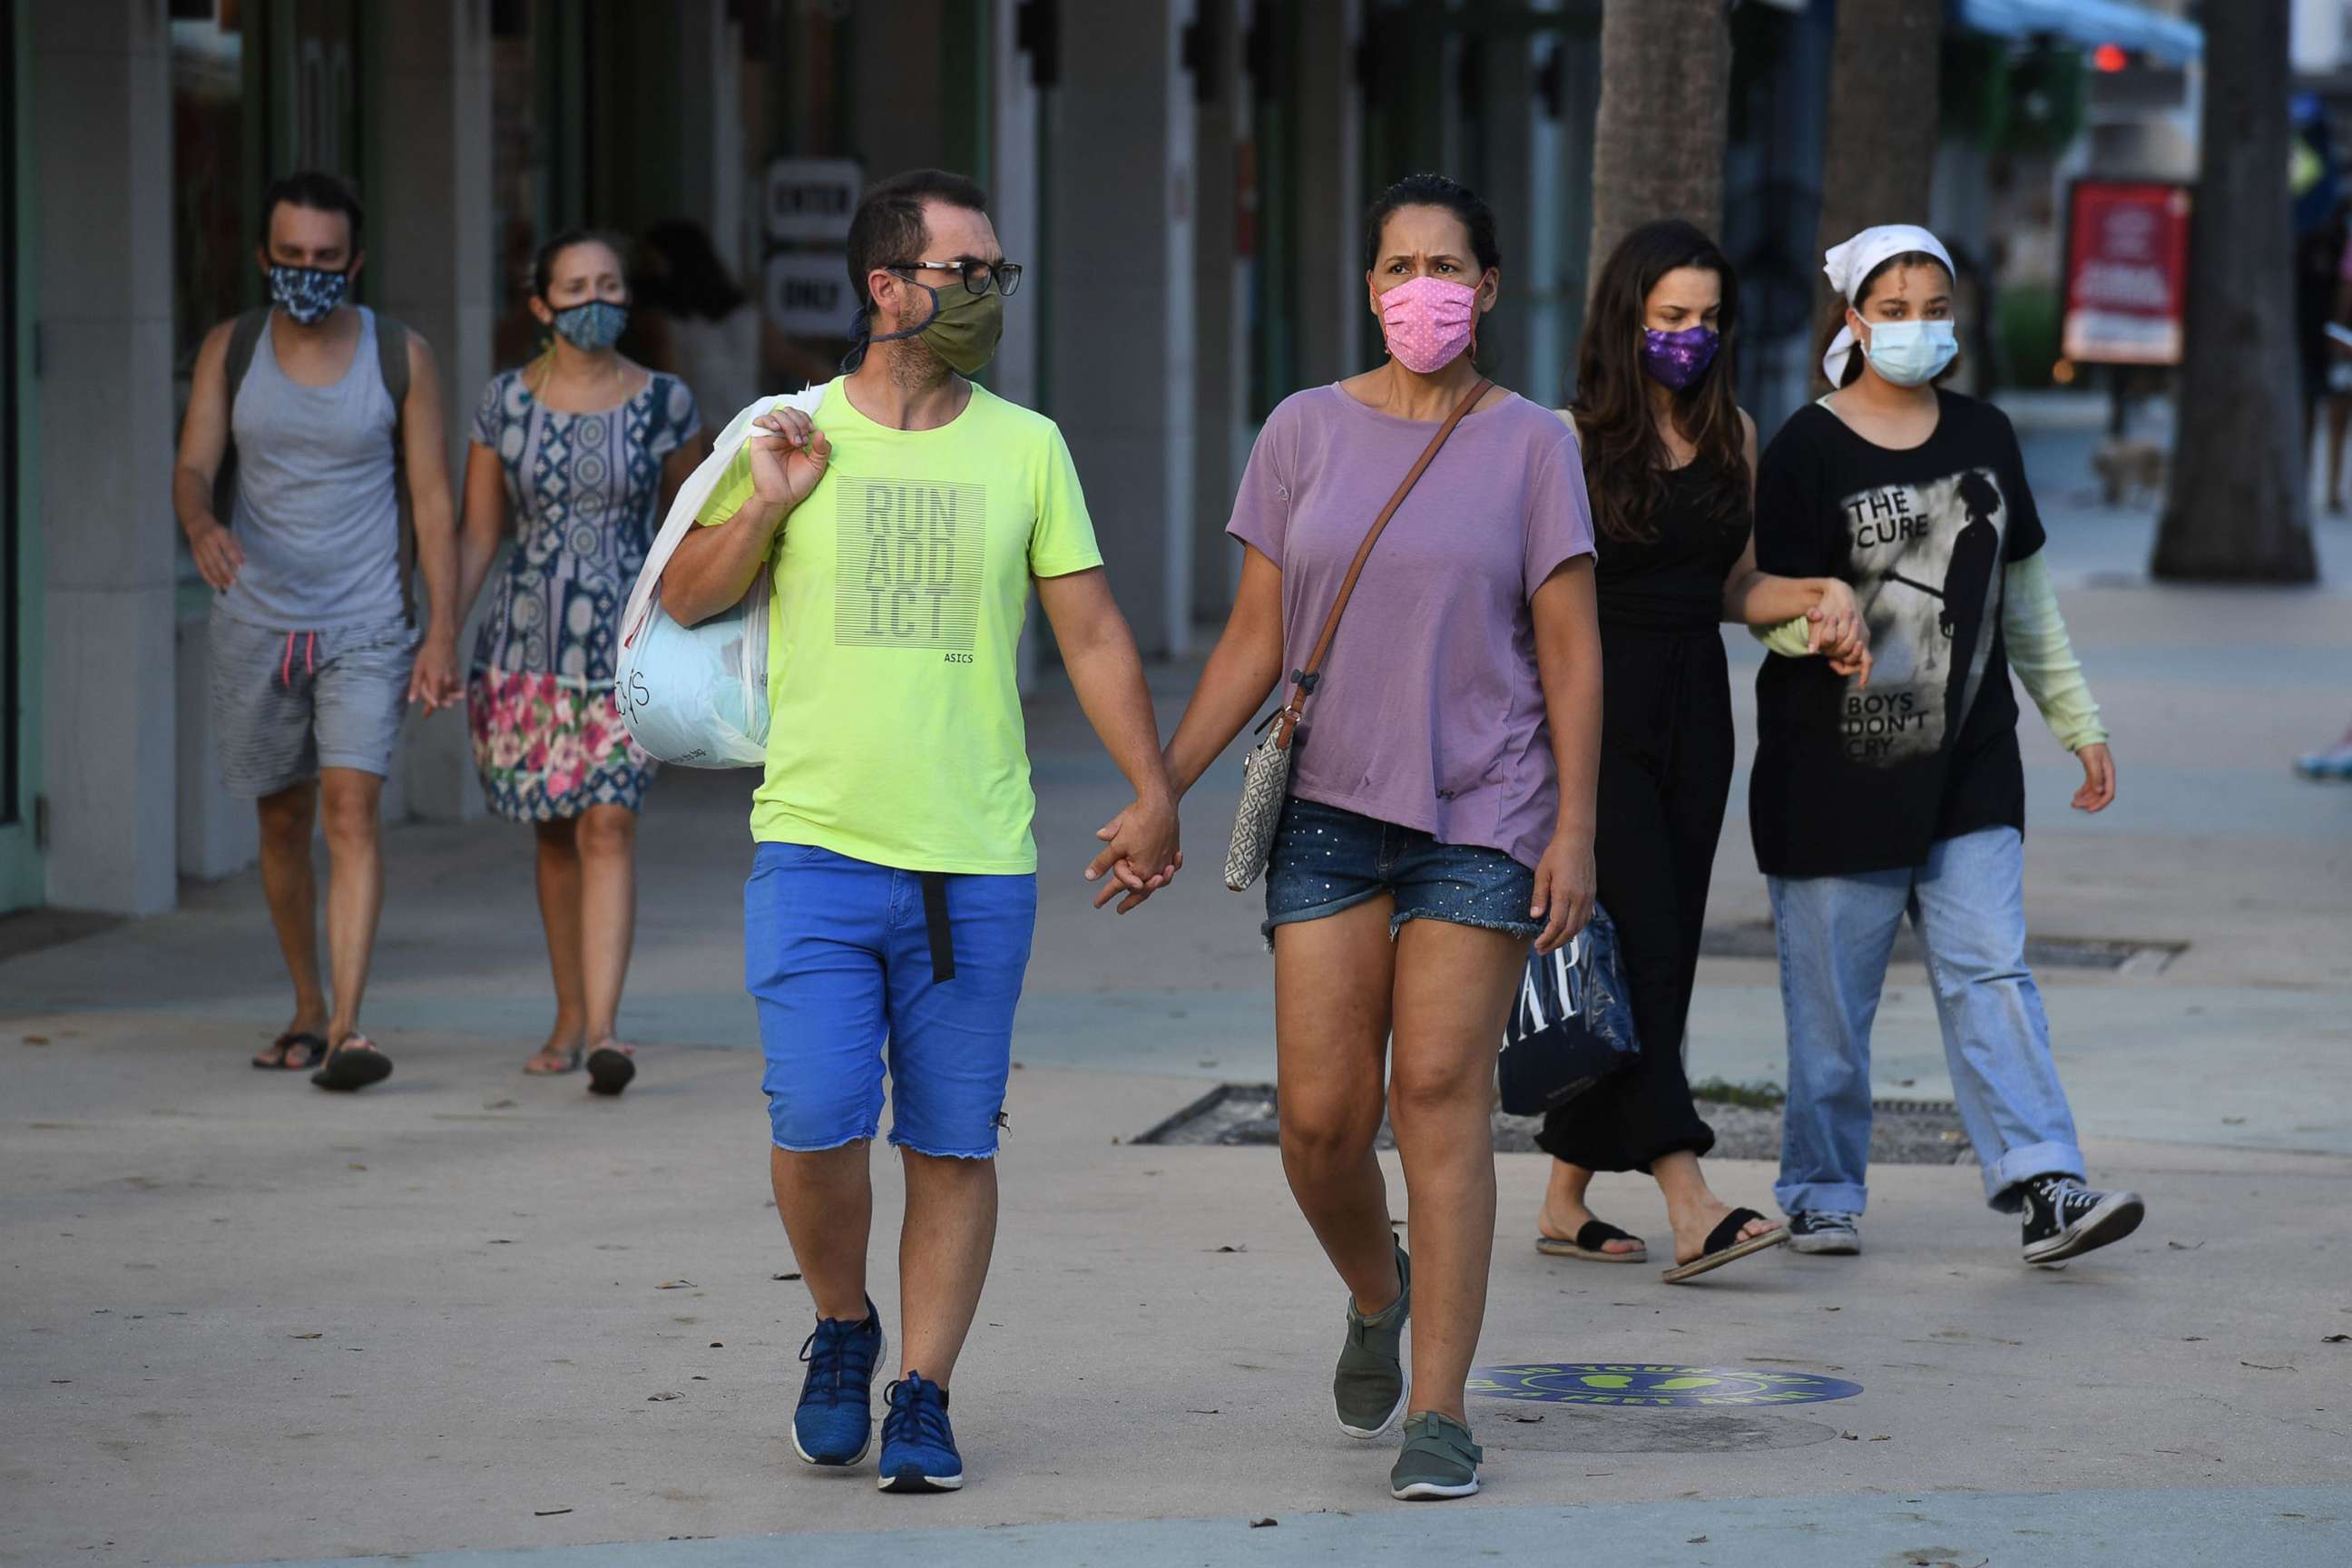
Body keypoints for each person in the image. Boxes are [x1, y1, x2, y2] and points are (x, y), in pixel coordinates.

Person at [656, 169, 1178, 1494]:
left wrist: (1155, 785)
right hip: (818, 843)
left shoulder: (1028, 447)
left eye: (999, 271)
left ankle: (927, 1391)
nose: (989, 293)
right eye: (966, 271)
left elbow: (1096, 630)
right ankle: (842, 1326)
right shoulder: (791, 429)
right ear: (886, 287)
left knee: (952, 1139)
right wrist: (770, 499)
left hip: (973, 861)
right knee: (817, 1121)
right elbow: (688, 594)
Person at [1154, 173, 1600, 1502]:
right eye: (1400, 265)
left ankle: (1444, 1410)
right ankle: (1374, 1284)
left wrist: (1575, 827)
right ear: (1368, 286)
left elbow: (1573, 654)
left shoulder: (1534, 444)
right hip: (1331, 811)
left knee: (1441, 1103)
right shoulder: (1301, 431)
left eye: (1448, 266)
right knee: (1317, 1125)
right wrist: (1159, 785)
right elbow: (1253, 637)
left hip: (1486, 807)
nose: (1424, 289)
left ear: (1491, 287)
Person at [1753, 224, 2143, 1267]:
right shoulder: (1806, 447)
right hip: (1832, 781)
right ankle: (1823, 1188)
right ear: (1853, 321)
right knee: (1834, 1014)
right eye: (1894, 309)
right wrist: (1811, 625)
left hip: (1970, 767)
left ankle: (2046, 1182)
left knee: (1991, 972)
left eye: (1935, 309)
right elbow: (1763, 604)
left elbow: (2026, 604)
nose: (1918, 328)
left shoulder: (1987, 434)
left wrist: (2078, 721)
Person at [1532, 220, 1871, 1283]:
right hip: (1592, 712)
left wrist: (1821, 595)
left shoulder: (1734, 433)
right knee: (1635, 946)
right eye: (1671, 316)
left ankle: (1562, 1195)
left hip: (1697, 717)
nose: (1691, 335)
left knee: (1662, 958)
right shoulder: (1563, 440)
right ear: (1627, 318)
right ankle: (1690, 1199)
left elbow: (1735, 589)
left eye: (1709, 318)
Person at [172, 171, 461, 1093]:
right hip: (257, 619)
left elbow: (432, 503)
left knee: (350, 809)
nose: (307, 272)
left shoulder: (399, 356)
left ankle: (346, 1029)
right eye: (291, 257)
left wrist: (441, 631)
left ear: (356, 262)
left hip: (366, 621)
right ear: (265, 258)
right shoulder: (232, 347)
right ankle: (305, 1002)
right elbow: (192, 467)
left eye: (326, 259)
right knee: (282, 817)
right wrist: (202, 525)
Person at [452, 230, 705, 1093]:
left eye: (609, 283)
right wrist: (437, 636)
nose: (595, 298)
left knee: (609, 822)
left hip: (630, 648)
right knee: (555, 830)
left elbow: (700, 525)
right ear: (540, 304)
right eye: (575, 285)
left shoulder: (666, 402)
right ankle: (567, 1015)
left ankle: (604, 1028)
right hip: (522, 646)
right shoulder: (502, 406)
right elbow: (479, 532)